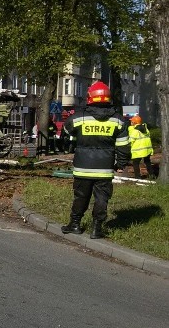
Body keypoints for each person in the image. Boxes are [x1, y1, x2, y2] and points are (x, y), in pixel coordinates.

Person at [61, 81, 131, 239]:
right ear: (108, 98)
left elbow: (66, 130)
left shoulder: (79, 118)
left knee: (81, 196)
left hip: (82, 167)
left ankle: (75, 224)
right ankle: (96, 229)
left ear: (89, 98)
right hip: (105, 168)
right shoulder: (118, 121)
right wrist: (120, 164)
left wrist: (74, 141)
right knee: (102, 198)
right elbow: (124, 145)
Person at [128, 115, 154, 179]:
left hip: (138, 150)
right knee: (147, 162)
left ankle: (137, 177)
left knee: (136, 163)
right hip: (147, 149)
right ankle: (152, 175)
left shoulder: (135, 130)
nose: (131, 122)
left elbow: (131, 140)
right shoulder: (146, 129)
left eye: (132, 121)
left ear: (134, 123)